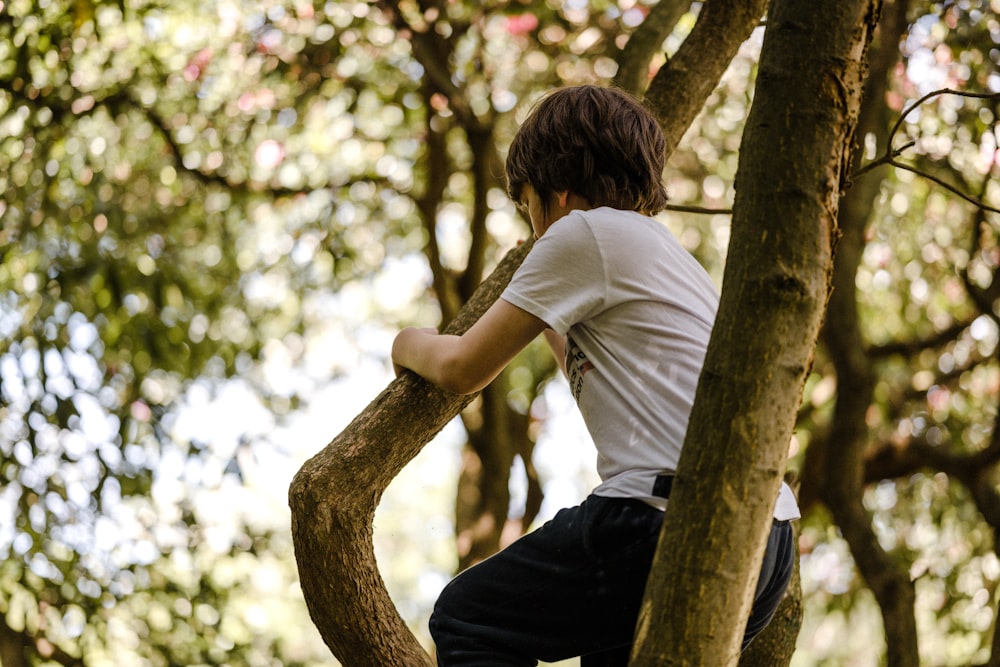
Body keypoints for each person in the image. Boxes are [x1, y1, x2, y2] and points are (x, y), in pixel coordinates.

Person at [391, 84, 800, 667]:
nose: (534, 229)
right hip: (763, 539)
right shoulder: (662, 251)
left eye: (528, 203)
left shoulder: (582, 233)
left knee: (469, 615)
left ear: (556, 192)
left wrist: (408, 344)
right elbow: (591, 357)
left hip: (660, 522)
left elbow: (462, 370)